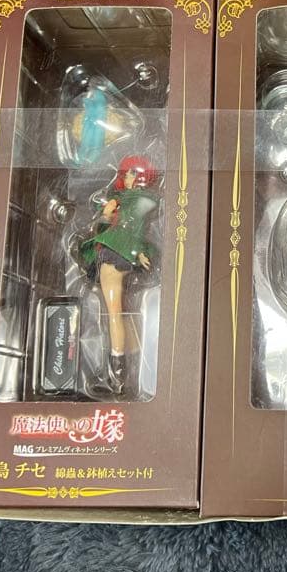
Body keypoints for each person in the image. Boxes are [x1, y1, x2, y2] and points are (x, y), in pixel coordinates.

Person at [79, 155, 160, 394]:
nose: (128, 178)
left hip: (114, 254)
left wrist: (106, 213)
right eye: (127, 173)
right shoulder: (142, 201)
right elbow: (135, 230)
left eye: (132, 174)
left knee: (113, 312)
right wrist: (140, 253)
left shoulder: (126, 201)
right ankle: (133, 361)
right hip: (124, 254)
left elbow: (109, 224)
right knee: (121, 311)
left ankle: (118, 373)